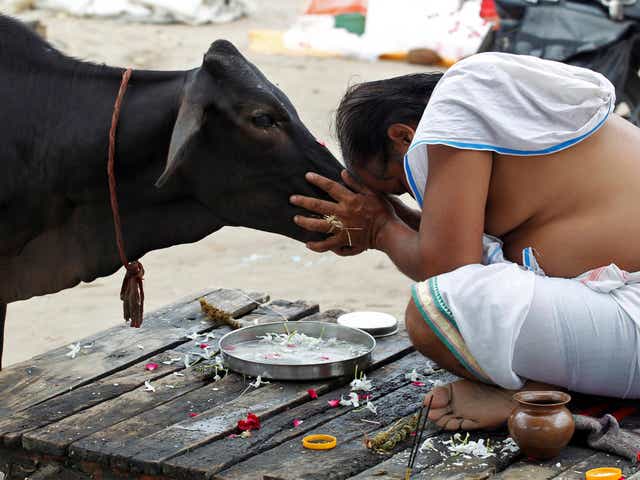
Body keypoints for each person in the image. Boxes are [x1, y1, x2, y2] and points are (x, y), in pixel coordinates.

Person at [290, 52, 640, 431]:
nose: (417, 195)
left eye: (400, 187)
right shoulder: (509, 134)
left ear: (404, 137)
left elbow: (450, 273)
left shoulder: (460, 96)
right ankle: (548, 388)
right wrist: (391, 222)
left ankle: (529, 393)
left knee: (432, 312)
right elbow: (467, 253)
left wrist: (379, 228)